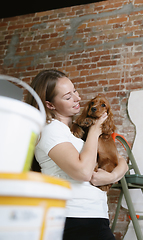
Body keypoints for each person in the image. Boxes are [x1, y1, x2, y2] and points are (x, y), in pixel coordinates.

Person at [25, 69, 128, 240]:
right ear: (50, 104)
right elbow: (83, 172)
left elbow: (121, 160)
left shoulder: (77, 132)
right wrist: (95, 130)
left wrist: (111, 177)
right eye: (68, 97)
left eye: (75, 91)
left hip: (95, 216)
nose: (78, 98)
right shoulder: (51, 130)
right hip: (72, 218)